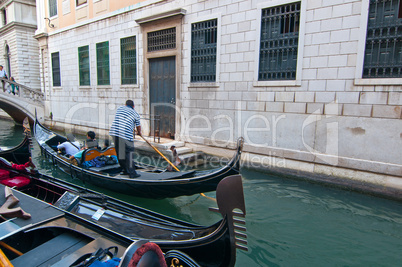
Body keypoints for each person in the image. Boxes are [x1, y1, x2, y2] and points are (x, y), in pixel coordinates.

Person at [109, 100, 141, 178]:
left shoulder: (120, 108)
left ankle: (125, 170)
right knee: (129, 154)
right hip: (126, 135)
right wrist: (139, 132)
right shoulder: (136, 114)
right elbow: (138, 126)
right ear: (133, 106)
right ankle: (132, 173)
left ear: (125, 104)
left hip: (115, 133)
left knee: (120, 153)